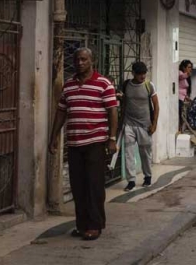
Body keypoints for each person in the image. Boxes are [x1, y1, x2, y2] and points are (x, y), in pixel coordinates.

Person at [49, 48, 118, 241]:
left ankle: (95, 225)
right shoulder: (68, 86)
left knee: (94, 185)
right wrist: (53, 136)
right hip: (74, 143)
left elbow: (112, 111)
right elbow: (61, 111)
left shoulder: (103, 84)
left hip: (95, 142)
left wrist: (112, 139)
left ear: (92, 61)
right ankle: (81, 225)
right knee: (78, 186)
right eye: (77, 59)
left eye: (84, 59)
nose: (80, 63)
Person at [118, 62, 160, 191]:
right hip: (129, 124)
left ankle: (147, 177)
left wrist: (154, 124)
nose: (142, 76)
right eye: (139, 73)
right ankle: (131, 180)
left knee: (145, 153)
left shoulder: (149, 86)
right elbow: (124, 103)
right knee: (128, 153)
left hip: (144, 125)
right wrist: (121, 122)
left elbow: (156, 106)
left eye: (144, 73)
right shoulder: (126, 85)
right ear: (133, 73)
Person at [178, 60, 193, 130]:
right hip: (179, 98)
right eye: (189, 67)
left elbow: (183, 89)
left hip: (183, 98)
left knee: (183, 116)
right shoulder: (180, 73)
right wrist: (187, 74)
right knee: (180, 117)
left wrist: (187, 97)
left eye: (191, 67)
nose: (190, 69)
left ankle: (182, 129)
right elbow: (180, 76)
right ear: (184, 68)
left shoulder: (186, 76)